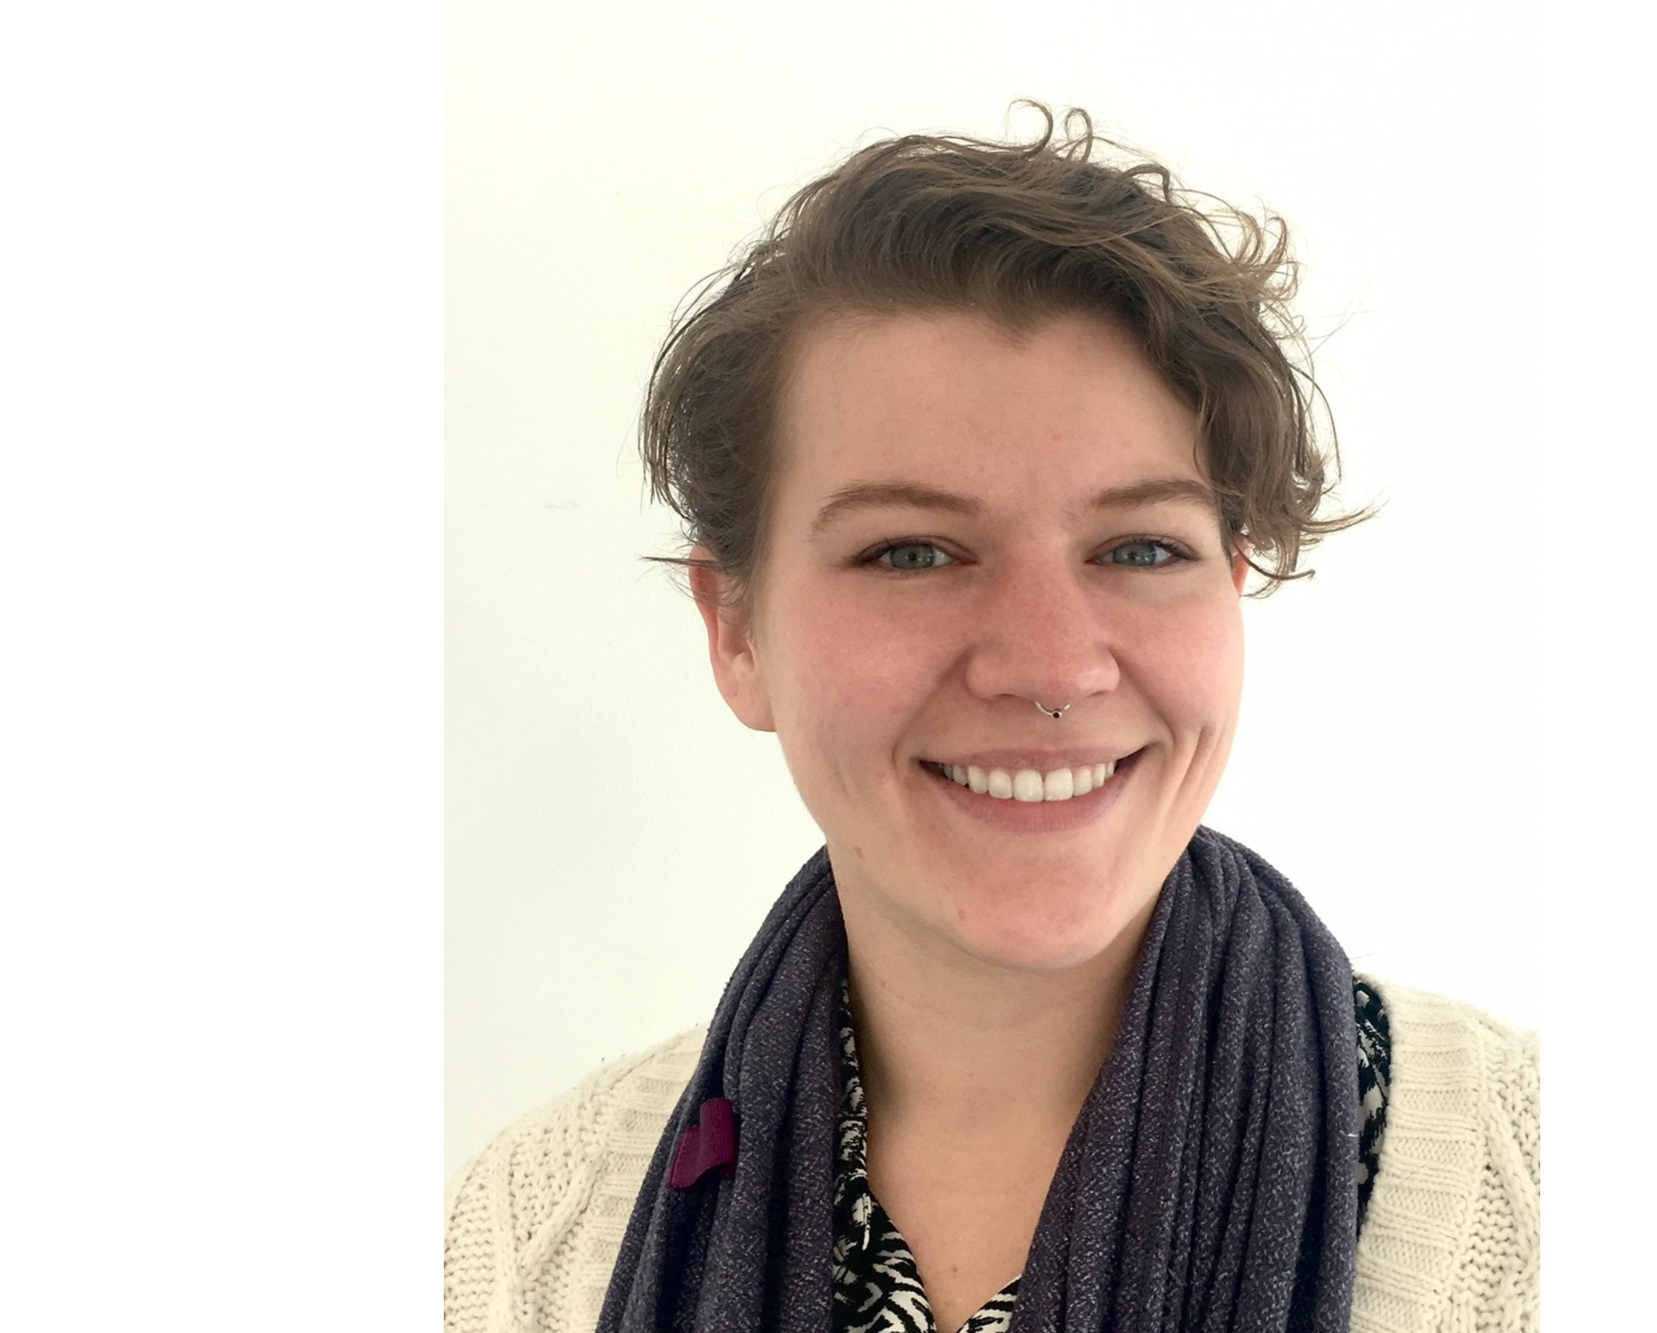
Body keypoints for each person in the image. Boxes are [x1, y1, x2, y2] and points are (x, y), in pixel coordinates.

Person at [444, 107, 1538, 1333]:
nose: (1051, 666)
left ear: (1230, 587)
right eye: (910, 551)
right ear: (735, 631)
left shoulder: (1548, 1198)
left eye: (1138, 546)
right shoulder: (521, 1242)